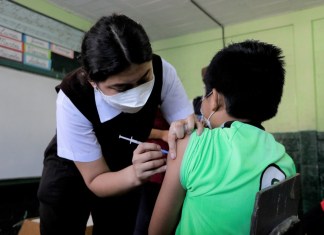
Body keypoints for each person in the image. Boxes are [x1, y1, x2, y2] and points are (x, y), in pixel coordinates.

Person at [37, 14, 200, 235]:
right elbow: (95, 179)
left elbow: (185, 127)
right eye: (122, 88)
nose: (137, 92)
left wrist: (188, 127)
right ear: (93, 82)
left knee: (118, 227)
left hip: (125, 163)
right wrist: (134, 174)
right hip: (73, 172)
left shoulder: (163, 71)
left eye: (144, 79)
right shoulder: (72, 97)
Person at [149, 40, 297, 235]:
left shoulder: (192, 144)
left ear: (216, 99)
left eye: (206, 95)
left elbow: (157, 231)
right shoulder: (285, 161)